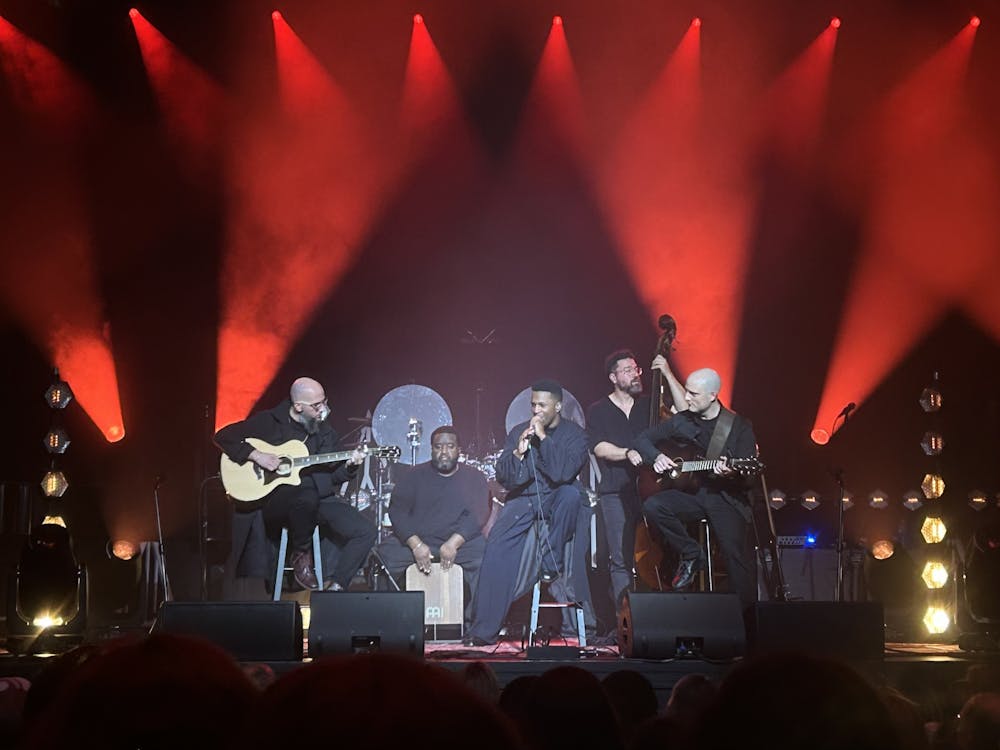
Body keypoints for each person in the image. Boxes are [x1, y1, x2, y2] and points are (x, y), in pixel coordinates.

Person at [214, 376, 376, 591]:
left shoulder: (325, 432)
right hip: (276, 501)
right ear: (298, 406)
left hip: (317, 501)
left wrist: (351, 466)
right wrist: (256, 455)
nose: (323, 409)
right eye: (317, 405)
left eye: (325, 402)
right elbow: (223, 436)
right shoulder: (269, 422)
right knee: (305, 494)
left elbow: (333, 477)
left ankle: (335, 587)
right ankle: (301, 554)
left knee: (366, 531)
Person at [464, 379, 589, 646]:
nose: (536, 411)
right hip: (525, 499)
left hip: (558, 497)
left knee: (571, 495)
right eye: (533, 405)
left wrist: (543, 438)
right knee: (497, 544)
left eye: (542, 405)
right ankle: (483, 630)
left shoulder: (576, 436)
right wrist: (519, 454)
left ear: (558, 406)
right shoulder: (520, 431)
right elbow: (505, 478)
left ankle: (549, 563)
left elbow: (561, 473)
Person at [633, 367, 758, 609]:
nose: (686, 398)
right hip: (696, 494)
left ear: (713, 395)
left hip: (726, 498)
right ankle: (691, 552)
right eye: (687, 392)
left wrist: (731, 473)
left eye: (693, 394)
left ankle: (747, 622)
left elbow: (749, 478)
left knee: (735, 558)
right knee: (654, 505)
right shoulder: (682, 420)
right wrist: (656, 456)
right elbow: (642, 439)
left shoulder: (739, 427)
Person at [587, 349, 679, 615]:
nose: (636, 374)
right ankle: (626, 622)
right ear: (614, 377)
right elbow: (599, 447)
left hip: (654, 490)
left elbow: (683, 413)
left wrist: (667, 374)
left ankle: (664, 613)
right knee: (621, 557)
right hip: (616, 491)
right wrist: (627, 453)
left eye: (637, 368)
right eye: (627, 370)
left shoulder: (651, 405)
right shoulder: (598, 410)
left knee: (661, 551)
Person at [374, 426, 489, 617]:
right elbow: (397, 511)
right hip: (419, 542)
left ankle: (475, 624)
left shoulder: (474, 477)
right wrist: (416, 545)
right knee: (385, 557)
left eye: (450, 446)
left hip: (459, 544)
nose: (444, 452)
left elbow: (479, 513)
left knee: (485, 558)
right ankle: (390, 622)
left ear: (459, 449)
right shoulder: (413, 475)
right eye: (438, 447)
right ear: (431, 449)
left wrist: (453, 543)